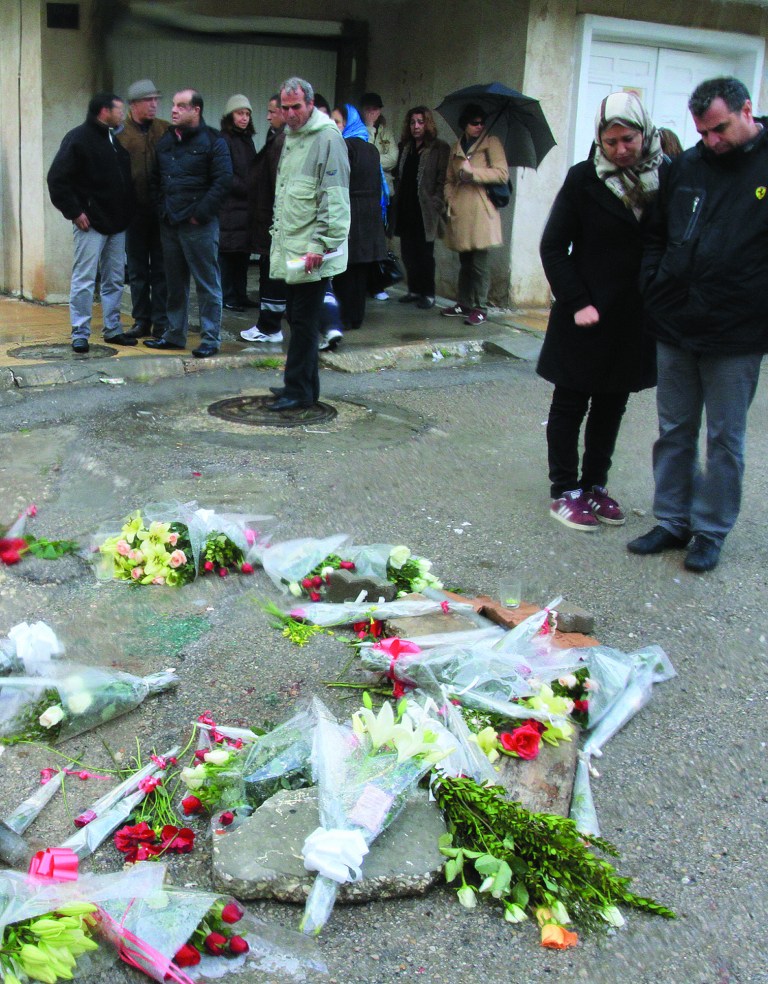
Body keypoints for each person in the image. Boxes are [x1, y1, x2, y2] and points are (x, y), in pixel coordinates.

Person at [628, 77, 768, 572]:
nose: (711, 140)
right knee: (674, 428)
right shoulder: (686, 166)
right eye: (703, 132)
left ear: (747, 109)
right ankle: (672, 519)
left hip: (738, 330)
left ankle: (710, 531)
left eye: (719, 129)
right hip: (677, 320)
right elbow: (657, 235)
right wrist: (654, 283)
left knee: (725, 438)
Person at [538, 91, 663, 532]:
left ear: (643, 133)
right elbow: (553, 247)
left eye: (627, 139)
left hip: (633, 316)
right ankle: (564, 490)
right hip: (584, 314)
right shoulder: (583, 180)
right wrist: (577, 301)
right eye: (610, 142)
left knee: (612, 403)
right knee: (571, 401)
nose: (620, 150)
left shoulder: (663, 178)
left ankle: (594, 485)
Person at [267, 77, 350, 412]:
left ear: (310, 104)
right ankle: (304, 386)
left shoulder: (327, 138)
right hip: (294, 248)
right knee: (299, 319)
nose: (290, 114)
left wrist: (323, 245)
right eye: (285, 108)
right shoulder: (292, 137)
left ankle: (298, 391)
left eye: (296, 107)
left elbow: (335, 199)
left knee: (303, 323)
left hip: (312, 253)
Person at [47, 92, 136, 353]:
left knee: (114, 279)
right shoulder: (78, 138)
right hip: (91, 224)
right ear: (103, 111)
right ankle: (80, 332)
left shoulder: (112, 139)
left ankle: (113, 329)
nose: (123, 114)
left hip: (117, 223)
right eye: (119, 109)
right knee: (84, 278)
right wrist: (75, 212)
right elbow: (57, 179)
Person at [146, 89, 232, 358]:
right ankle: (174, 335)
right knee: (174, 283)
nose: (173, 110)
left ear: (196, 110)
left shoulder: (214, 141)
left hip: (199, 225)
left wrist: (200, 214)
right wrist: (163, 209)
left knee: (207, 283)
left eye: (181, 106)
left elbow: (223, 181)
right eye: (173, 105)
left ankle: (210, 339)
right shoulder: (166, 141)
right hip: (170, 222)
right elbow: (155, 180)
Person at [442, 104, 509, 326]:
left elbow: (502, 174)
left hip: (481, 210)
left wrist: (475, 173)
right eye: (474, 123)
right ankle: (464, 302)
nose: (479, 126)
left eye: (482, 122)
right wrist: (450, 198)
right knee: (465, 261)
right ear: (465, 125)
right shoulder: (456, 146)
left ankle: (481, 307)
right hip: (461, 209)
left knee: (479, 263)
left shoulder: (492, 143)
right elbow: (449, 179)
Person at [117, 79, 169, 340]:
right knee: (137, 270)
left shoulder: (165, 130)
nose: (154, 105)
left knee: (161, 269)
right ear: (134, 104)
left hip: (160, 211)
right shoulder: (120, 133)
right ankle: (141, 320)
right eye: (148, 100)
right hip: (133, 212)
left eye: (156, 100)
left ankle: (161, 321)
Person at [330, 103, 386, 333]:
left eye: (337, 122)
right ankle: (356, 317)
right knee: (360, 272)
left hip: (350, 213)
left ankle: (344, 318)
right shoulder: (371, 149)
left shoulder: (344, 147)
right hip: (369, 216)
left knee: (344, 270)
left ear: (348, 123)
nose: (333, 126)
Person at [392, 106, 449, 309]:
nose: (416, 126)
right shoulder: (405, 147)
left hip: (425, 210)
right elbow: (399, 175)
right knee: (408, 252)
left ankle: (428, 293)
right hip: (406, 206)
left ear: (427, 124)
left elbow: (443, 180)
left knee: (425, 254)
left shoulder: (438, 148)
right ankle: (414, 289)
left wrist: (437, 203)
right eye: (413, 122)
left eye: (420, 122)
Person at [241, 94, 287, 345]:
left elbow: (278, 185)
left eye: (272, 111)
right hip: (267, 217)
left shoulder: (282, 141)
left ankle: (269, 327)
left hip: (273, 220)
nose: (268, 116)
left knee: (272, 274)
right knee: (270, 272)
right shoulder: (276, 137)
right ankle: (267, 324)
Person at [218, 94, 257, 312]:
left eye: (247, 114)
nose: (244, 118)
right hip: (230, 207)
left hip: (245, 208)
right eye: (240, 113)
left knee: (242, 254)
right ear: (230, 115)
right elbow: (225, 174)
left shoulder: (246, 139)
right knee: (228, 254)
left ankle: (240, 294)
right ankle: (228, 296)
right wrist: (248, 187)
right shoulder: (224, 139)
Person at [360, 91, 398, 300]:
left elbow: (392, 158)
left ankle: (377, 284)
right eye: (368, 109)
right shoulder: (359, 129)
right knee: (363, 241)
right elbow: (363, 155)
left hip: (384, 194)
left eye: (375, 109)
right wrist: (368, 129)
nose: (372, 113)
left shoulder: (386, 131)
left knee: (380, 241)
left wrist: (374, 159)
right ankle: (364, 283)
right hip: (365, 193)